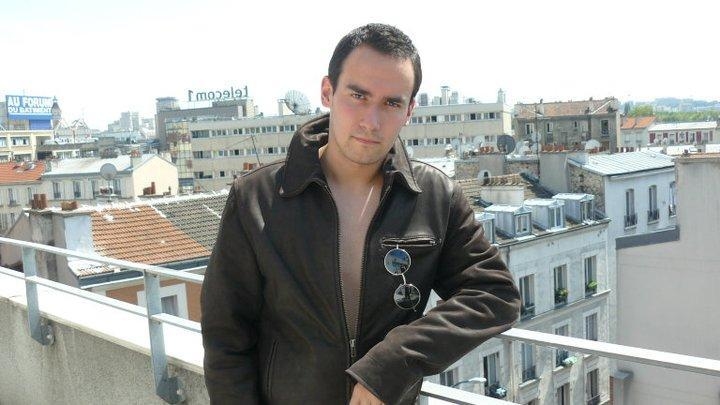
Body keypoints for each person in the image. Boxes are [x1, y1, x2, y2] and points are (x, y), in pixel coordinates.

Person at [201, 23, 521, 405]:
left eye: (391, 103)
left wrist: (393, 363)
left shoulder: (435, 197)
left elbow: (495, 295)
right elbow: (226, 337)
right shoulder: (256, 198)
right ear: (327, 92)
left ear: (409, 110)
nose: (371, 121)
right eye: (358, 95)